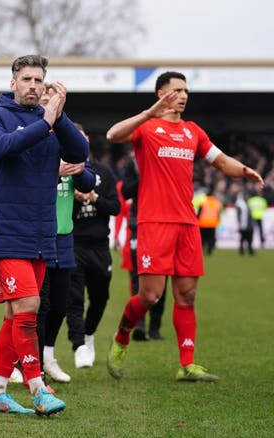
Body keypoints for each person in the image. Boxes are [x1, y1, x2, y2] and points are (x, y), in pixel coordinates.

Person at [105, 71, 264, 382]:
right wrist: (149, 113)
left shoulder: (193, 132)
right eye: (177, 89)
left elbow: (220, 161)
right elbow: (113, 135)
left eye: (186, 90)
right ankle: (123, 333)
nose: (184, 95)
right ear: (161, 93)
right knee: (150, 296)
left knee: (187, 295)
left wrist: (245, 170)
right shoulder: (147, 128)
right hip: (154, 222)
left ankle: (187, 364)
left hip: (186, 223)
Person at [0, 54, 88, 415]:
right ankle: (37, 387)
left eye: (39, 80)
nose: (33, 85)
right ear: (13, 83)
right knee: (28, 308)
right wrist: (47, 120)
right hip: (6, 229)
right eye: (26, 79)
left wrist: (61, 113)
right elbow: (1, 147)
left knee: (15, 316)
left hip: (42, 232)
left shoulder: (52, 120)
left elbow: (80, 152)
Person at [39, 156, 95, 383]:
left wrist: (80, 171)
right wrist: (55, 172)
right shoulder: (40, 146)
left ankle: (47, 356)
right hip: (38, 238)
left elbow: (89, 183)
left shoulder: (73, 154)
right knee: (37, 306)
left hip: (63, 240)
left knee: (60, 305)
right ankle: (27, 364)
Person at [66, 140, 120, 369]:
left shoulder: (103, 172)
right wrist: (77, 202)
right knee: (74, 298)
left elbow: (115, 208)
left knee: (100, 298)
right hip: (73, 243)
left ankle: (88, 334)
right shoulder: (62, 173)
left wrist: (93, 198)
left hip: (99, 245)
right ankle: (78, 344)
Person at [120, 156, 166, 341]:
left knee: (163, 276)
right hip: (139, 225)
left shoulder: (164, 159)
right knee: (137, 274)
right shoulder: (134, 162)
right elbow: (126, 191)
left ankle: (155, 327)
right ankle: (139, 324)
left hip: (163, 225)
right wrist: (145, 175)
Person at [197, 191, 223, 255]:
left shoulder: (203, 202)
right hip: (212, 224)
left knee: (202, 238)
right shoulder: (217, 203)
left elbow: (199, 213)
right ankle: (209, 251)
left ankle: (201, 250)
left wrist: (197, 219)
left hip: (203, 223)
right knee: (210, 238)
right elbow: (218, 213)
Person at [235, 189, 255, 255]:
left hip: (249, 225)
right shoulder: (241, 205)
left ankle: (249, 250)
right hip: (244, 225)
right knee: (243, 238)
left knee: (249, 239)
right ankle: (242, 251)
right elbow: (239, 216)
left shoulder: (247, 205)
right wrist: (240, 224)